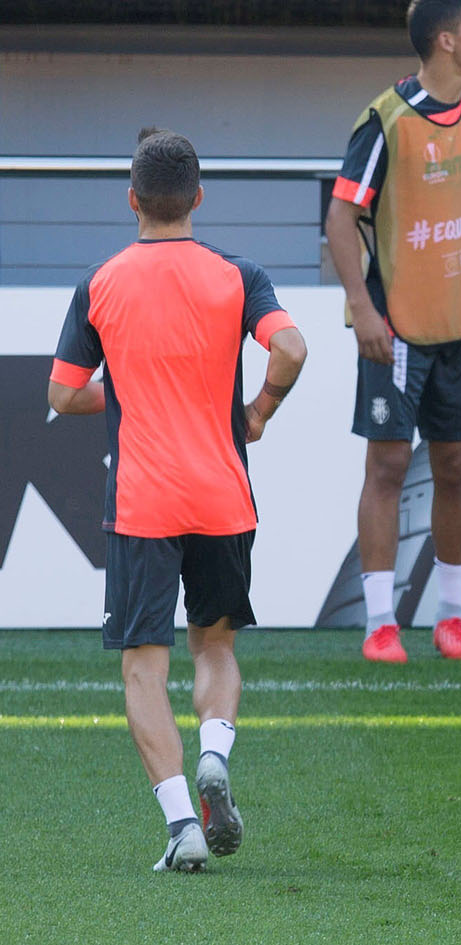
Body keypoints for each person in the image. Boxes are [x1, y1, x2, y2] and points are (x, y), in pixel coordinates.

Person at [48, 128, 307, 871]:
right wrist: (258, 410)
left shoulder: (102, 281)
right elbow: (291, 348)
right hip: (224, 494)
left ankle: (179, 825)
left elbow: (64, 394)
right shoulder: (237, 273)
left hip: (142, 501)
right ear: (198, 198)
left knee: (142, 667)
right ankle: (215, 753)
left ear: (132, 199)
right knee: (215, 644)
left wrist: (126, 387)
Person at [326, 0, 461, 663]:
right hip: (397, 326)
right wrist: (363, 310)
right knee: (388, 465)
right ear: (446, 40)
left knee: (454, 467)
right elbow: (339, 219)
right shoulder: (385, 120)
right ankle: (381, 622)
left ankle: (451, 617)